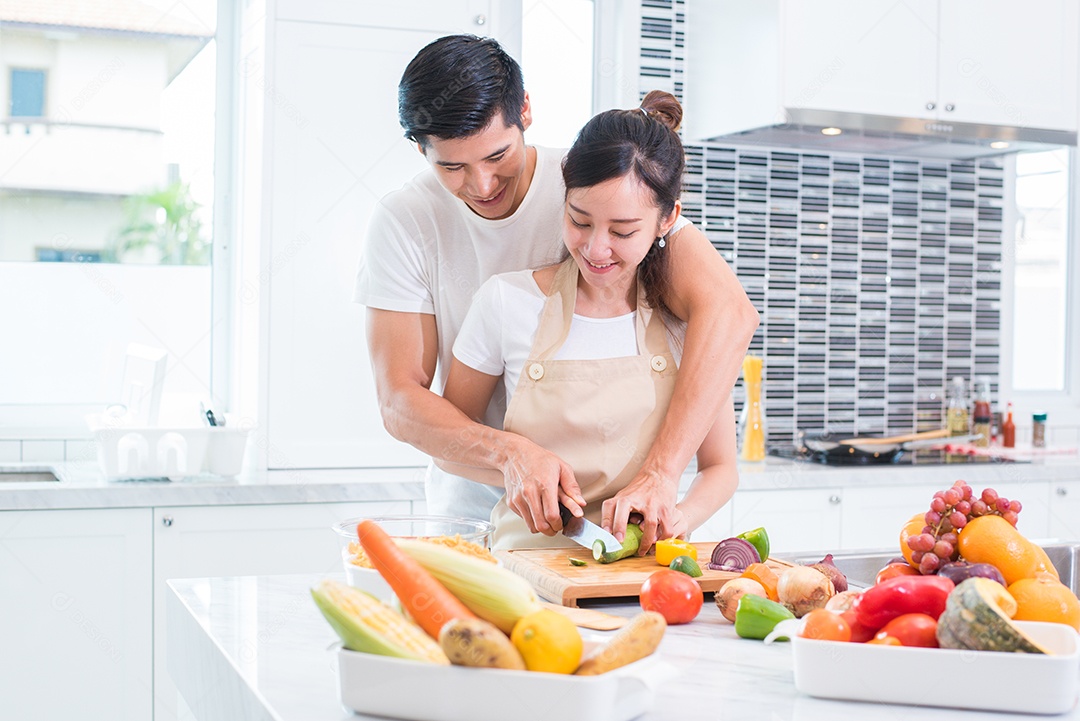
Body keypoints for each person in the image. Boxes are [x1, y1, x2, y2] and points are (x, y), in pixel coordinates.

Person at [354, 35, 757, 552]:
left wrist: (662, 474)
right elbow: (399, 402)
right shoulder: (405, 223)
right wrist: (510, 453)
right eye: (451, 167)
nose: (481, 184)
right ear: (420, 150)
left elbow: (728, 311)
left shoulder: (594, 181)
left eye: (498, 154)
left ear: (525, 110)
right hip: (476, 510)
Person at [441, 91, 739, 550]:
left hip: (646, 580)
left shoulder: (688, 325)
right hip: (525, 572)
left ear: (667, 220)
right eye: (580, 221)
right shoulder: (506, 302)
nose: (596, 249)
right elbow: (448, 445)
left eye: (623, 231)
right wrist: (513, 463)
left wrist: (678, 516)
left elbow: (720, 468)